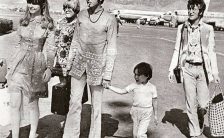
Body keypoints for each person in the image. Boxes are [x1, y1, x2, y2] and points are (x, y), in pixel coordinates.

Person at [63, 0, 117, 137]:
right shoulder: (80, 15)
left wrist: (108, 75)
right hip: (78, 65)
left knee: (96, 107)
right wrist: (69, 63)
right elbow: (75, 40)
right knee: (74, 103)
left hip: (98, 67)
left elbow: (111, 48)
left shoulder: (110, 19)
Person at [168, 0, 220, 137]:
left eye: (194, 9)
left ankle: (201, 117)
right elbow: (176, 50)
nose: (190, 11)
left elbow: (212, 52)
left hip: (203, 70)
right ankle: (194, 132)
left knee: (203, 104)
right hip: (187, 69)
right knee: (190, 103)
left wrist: (215, 73)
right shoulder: (182, 28)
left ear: (200, 11)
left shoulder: (208, 29)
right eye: (189, 8)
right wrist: (171, 68)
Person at [6, 0, 55, 137]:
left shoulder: (48, 25)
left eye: (35, 2)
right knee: (14, 103)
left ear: (42, 5)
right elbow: (17, 45)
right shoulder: (23, 21)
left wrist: (49, 68)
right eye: (29, 2)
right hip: (18, 64)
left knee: (32, 104)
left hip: (36, 66)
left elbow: (51, 49)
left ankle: (32, 134)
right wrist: (10, 67)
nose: (31, 5)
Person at [107, 62, 158, 138]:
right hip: (135, 112)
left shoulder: (152, 87)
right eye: (135, 74)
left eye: (139, 75)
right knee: (135, 135)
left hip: (147, 113)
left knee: (141, 134)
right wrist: (109, 87)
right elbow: (122, 91)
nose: (136, 77)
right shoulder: (134, 85)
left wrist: (156, 115)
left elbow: (155, 101)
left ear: (147, 75)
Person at [54, 0, 80, 85]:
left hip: (74, 61)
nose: (67, 10)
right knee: (62, 89)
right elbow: (55, 41)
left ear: (76, 8)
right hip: (61, 62)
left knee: (74, 90)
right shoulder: (60, 22)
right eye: (65, 8)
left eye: (70, 7)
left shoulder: (80, 23)